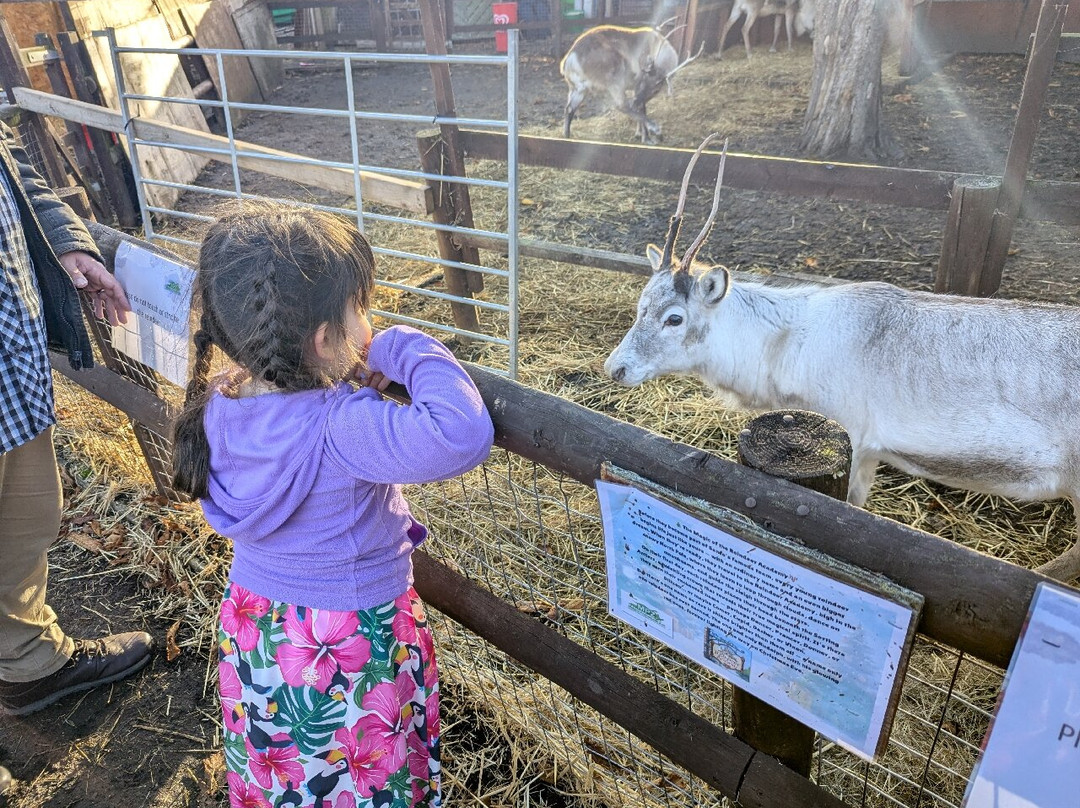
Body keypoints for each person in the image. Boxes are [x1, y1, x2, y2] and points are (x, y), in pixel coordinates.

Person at [171, 202, 494, 807]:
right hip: (347, 646)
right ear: (324, 341)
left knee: (289, 773)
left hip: (259, 633)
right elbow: (460, 433)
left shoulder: (219, 406)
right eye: (361, 312)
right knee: (365, 779)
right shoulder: (344, 429)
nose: (368, 324)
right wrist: (399, 350)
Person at [0, 120, 154, 718]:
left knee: (30, 509)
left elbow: (8, 153)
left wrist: (64, 239)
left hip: (12, 351)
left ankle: (27, 662)